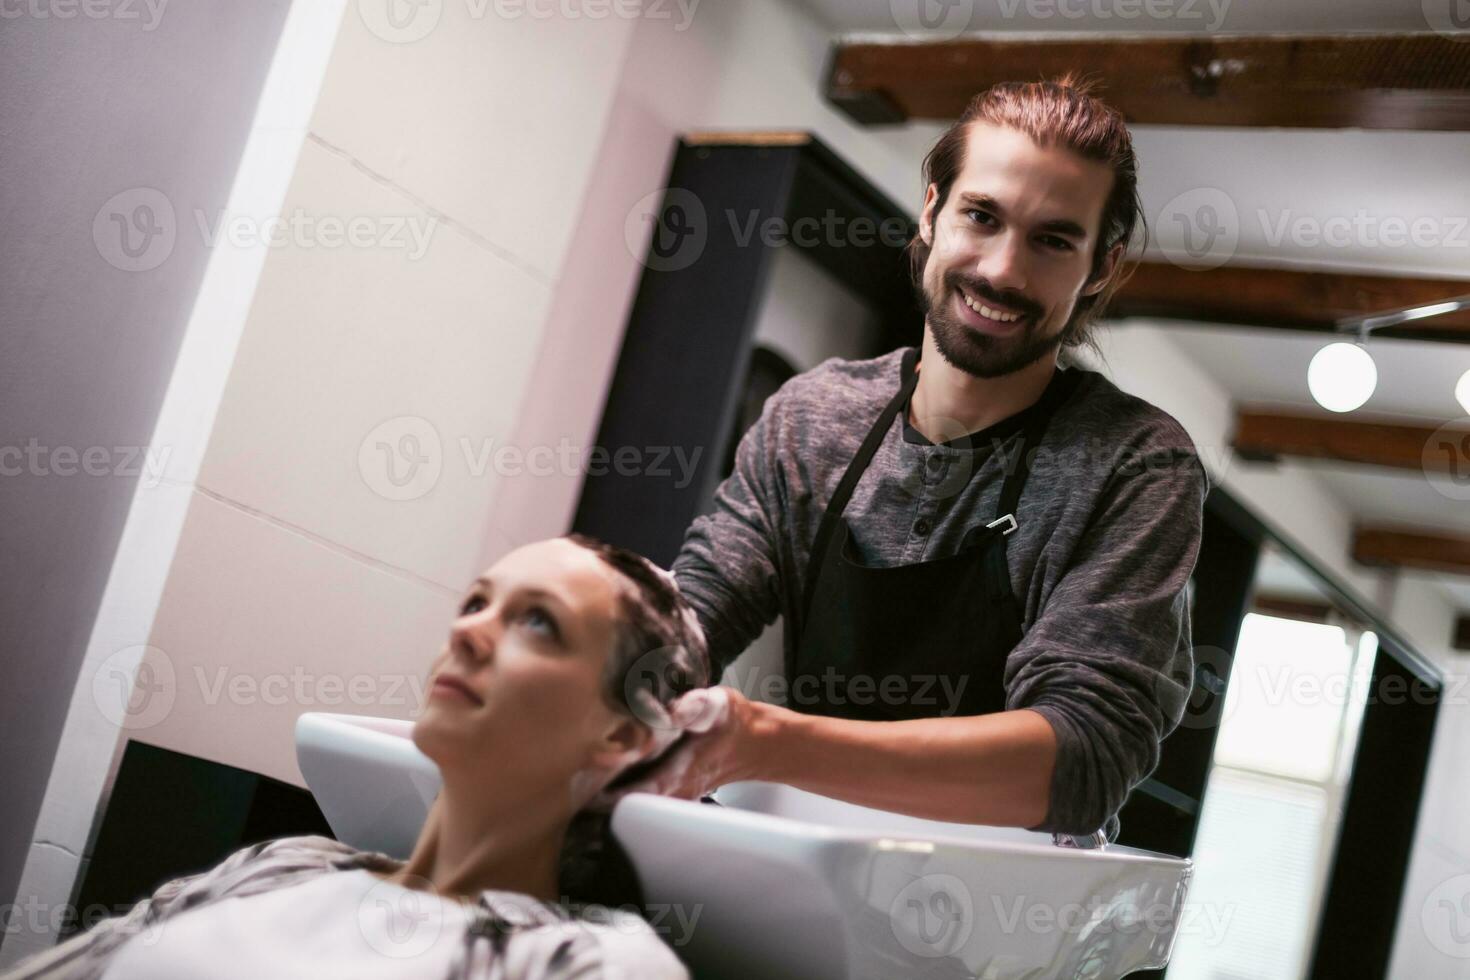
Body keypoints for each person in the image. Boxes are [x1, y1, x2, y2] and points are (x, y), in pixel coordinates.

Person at [607, 72, 1210, 844]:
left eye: (1053, 240)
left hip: (999, 918)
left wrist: (765, 741)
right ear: (932, 210)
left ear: (1101, 265)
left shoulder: (1135, 466)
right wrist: (592, 663)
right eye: (981, 217)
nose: (1001, 270)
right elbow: (689, 621)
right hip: (805, 855)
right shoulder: (813, 420)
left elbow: (1079, 761)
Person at [2, 535, 709, 980]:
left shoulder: (585, 963)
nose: (467, 631)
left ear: (622, 734)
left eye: (537, 622)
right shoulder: (283, 865)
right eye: (475, 602)